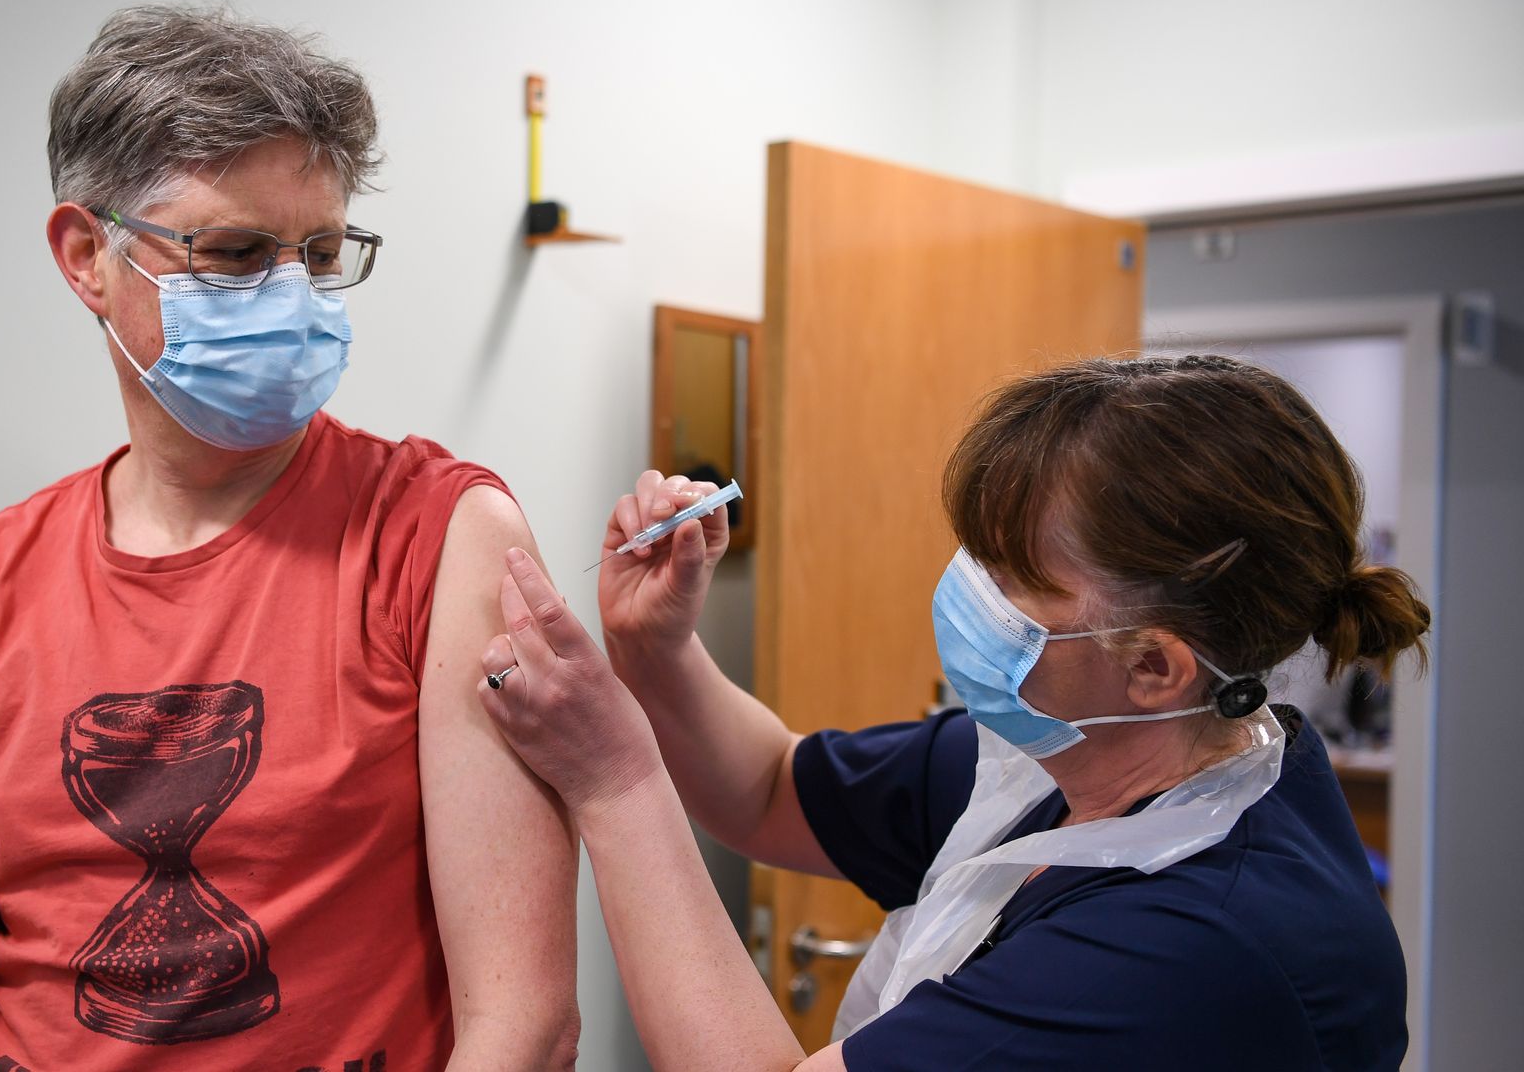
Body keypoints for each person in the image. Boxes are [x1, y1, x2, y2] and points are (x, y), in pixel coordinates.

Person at [0, 6, 579, 1072]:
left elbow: (524, 1023)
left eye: (321, 253)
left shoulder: (436, 533)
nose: (291, 297)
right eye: (234, 254)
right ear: (87, 256)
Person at [478, 355, 1426, 1070]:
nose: (965, 587)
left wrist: (615, 780)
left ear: (1153, 666)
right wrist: (657, 648)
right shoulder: (1068, 764)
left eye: (1011, 576)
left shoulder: (1198, 941)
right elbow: (769, 790)